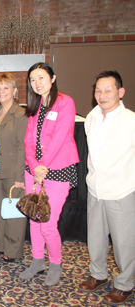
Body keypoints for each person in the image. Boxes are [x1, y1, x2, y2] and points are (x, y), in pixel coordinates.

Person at [19, 62, 79, 286]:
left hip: (58, 169)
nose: (37, 83)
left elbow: (61, 137)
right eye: (33, 79)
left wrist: (42, 165)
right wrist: (34, 165)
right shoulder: (35, 105)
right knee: (34, 218)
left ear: (53, 78)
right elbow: (28, 139)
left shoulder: (65, 102)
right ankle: (37, 261)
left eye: (41, 78)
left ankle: (55, 263)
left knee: (47, 222)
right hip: (34, 170)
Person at [78, 71, 135, 304]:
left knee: (123, 242)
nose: (102, 95)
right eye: (98, 90)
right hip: (95, 190)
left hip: (121, 191)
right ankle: (98, 274)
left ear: (120, 92)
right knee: (96, 237)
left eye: (108, 90)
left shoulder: (130, 120)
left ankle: (125, 284)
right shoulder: (91, 117)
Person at [0, 73, 28, 262]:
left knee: (14, 212)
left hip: (13, 172)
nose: (1, 91)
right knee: (0, 210)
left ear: (14, 90)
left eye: (6, 87)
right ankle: (3, 245)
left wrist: (20, 176)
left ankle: (13, 251)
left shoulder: (20, 114)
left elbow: (23, 147)